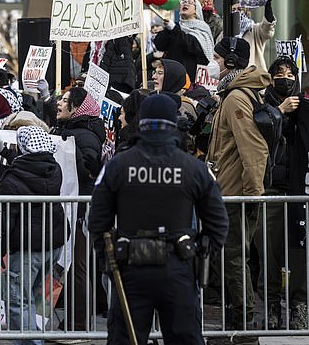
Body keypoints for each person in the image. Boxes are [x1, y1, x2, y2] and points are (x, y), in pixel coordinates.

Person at [89, 93, 229, 345]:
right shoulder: (193, 168)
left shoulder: (119, 165)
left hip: (130, 268)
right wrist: (200, 257)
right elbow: (218, 223)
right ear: (173, 124)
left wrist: (108, 260)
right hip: (178, 267)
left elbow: (97, 220)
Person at [206, 37, 271, 344]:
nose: (213, 64)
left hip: (234, 195)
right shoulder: (233, 95)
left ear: (230, 63)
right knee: (229, 258)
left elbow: (253, 149)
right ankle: (237, 324)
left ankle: (243, 328)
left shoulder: (235, 99)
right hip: (228, 192)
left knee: (233, 259)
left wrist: (251, 196)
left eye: (217, 59)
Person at [0, 125, 69, 345]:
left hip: (27, 248)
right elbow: (32, 164)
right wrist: (6, 153)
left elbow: (3, 219)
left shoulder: (13, 180)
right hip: (52, 245)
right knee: (28, 296)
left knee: (18, 301)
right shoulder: (54, 169)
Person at [50, 87, 106, 330]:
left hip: (81, 209)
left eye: (65, 100)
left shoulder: (85, 136)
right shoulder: (73, 131)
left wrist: (69, 154)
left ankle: (79, 323)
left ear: (76, 108)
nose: (59, 104)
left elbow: (89, 171)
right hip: (72, 208)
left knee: (78, 266)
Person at [258, 56, 306, 329]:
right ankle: (272, 306)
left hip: (298, 188)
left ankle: (300, 305)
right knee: (269, 250)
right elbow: (258, 132)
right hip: (271, 187)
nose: (284, 78)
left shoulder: (304, 107)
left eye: (290, 74)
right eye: (279, 73)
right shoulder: (263, 105)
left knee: (299, 249)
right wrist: (279, 110)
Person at [154, 0, 216, 83]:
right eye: (183, 2)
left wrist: (174, 29)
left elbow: (193, 45)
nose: (185, 3)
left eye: (190, 3)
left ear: (196, 11)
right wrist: (168, 30)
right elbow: (160, 45)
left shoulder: (202, 28)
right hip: (171, 75)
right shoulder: (174, 27)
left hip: (191, 78)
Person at [234, 0, 276, 72]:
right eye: (234, 10)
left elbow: (268, 25)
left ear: (247, 10)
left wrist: (267, 2)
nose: (238, 13)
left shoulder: (255, 30)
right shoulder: (225, 32)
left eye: (240, 9)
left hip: (252, 79)